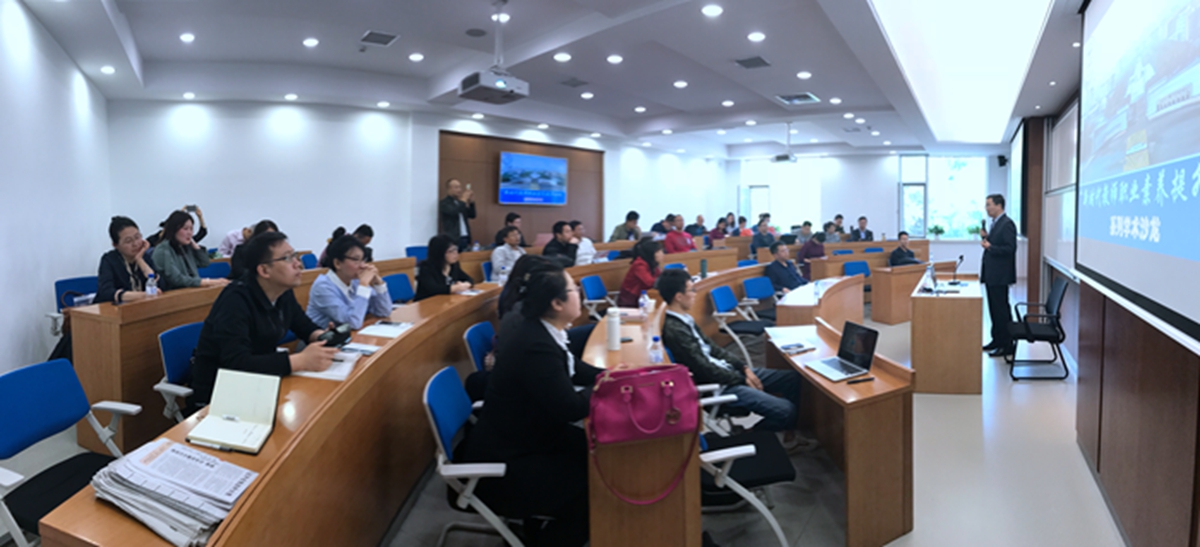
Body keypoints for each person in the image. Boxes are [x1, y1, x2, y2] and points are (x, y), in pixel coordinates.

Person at [463, 260, 601, 547]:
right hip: (507, 461)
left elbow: (575, 367)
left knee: (600, 454)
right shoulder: (536, 346)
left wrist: (608, 374)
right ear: (557, 303)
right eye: (574, 289)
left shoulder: (543, 330)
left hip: (529, 437)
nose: (579, 292)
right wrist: (603, 386)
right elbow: (571, 408)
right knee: (593, 488)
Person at [657, 270, 810, 448]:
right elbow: (704, 369)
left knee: (793, 379)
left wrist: (744, 368)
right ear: (678, 297)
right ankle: (751, 435)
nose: (695, 294)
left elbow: (714, 349)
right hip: (720, 385)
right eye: (691, 290)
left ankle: (789, 435)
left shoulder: (685, 319)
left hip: (729, 373)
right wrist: (742, 379)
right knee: (786, 410)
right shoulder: (674, 330)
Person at [189, 232, 338, 408]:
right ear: (264, 270)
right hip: (220, 394)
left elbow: (304, 326)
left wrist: (323, 337)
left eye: (295, 255)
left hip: (260, 382)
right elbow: (237, 363)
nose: (298, 264)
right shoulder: (235, 300)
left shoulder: (282, 292)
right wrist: (300, 361)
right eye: (288, 258)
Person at [307, 235, 392, 330]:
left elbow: (384, 312)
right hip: (324, 337)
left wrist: (378, 283)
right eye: (356, 260)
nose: (363, 266)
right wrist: (363, 286)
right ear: (337, 263)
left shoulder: (354, 281)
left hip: (349, 335)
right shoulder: (323, 287)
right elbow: (353, 323)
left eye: (363, 260)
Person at [152, 210, 229, 291]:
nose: (189, 233)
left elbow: (205, 263)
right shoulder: (163, 250)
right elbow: (177, 279)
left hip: (191, 291)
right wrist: (208, 282)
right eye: (185, 229)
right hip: (174, 294)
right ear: (174, 230)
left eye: (191, 229)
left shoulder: (185, 247)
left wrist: (196, 247)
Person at [981, 194, 1018, 357]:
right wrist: (986, 238)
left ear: (999, 205)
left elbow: (1010, 248)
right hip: (993, 274)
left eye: (989, 205)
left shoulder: (1007, 224)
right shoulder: (996, 223)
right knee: (994, 309)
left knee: (1001, 310)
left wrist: (990, 247)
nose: (987, 208)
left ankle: (1006, 344)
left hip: (1000, 275)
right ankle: (996, 339)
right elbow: (997, 243)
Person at [96, 216, 157, 304]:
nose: (135, 244)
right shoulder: (109, 260)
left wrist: (140, 260)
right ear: (115, 245)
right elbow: (106, 292)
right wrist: (143, 295)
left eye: (137, 237)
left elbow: (159, 285)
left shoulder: (145, 257)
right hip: (113, 309)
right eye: (128, 241)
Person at [414, 234, 475, 301]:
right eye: (451, 251)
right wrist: (456, 287)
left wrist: (465, 284)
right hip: (427, 303)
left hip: (444, 301)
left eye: (456, 249)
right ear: (440, 252)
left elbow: (469, 279)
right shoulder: (426, 268)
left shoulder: (453, 265)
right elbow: (434, 289)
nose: (456, 253)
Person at [617, 239, 663, 307]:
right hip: (631, 299)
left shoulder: (652, 263)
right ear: (651, 253)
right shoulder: (639, 264)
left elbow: (659, 276)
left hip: (643, 296)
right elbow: (649, 282)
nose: (662, 254)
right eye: (659, 252)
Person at [439, 178, 476, 251]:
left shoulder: (460, 203)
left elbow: (472, 215)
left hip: (465, 236)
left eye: (460, 187)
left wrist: (471, 203)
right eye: (456, 187)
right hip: (453, 238)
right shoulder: (444, 203)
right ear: (449, 189)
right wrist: (464, 200)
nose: (459, 190)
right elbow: (454, 211)